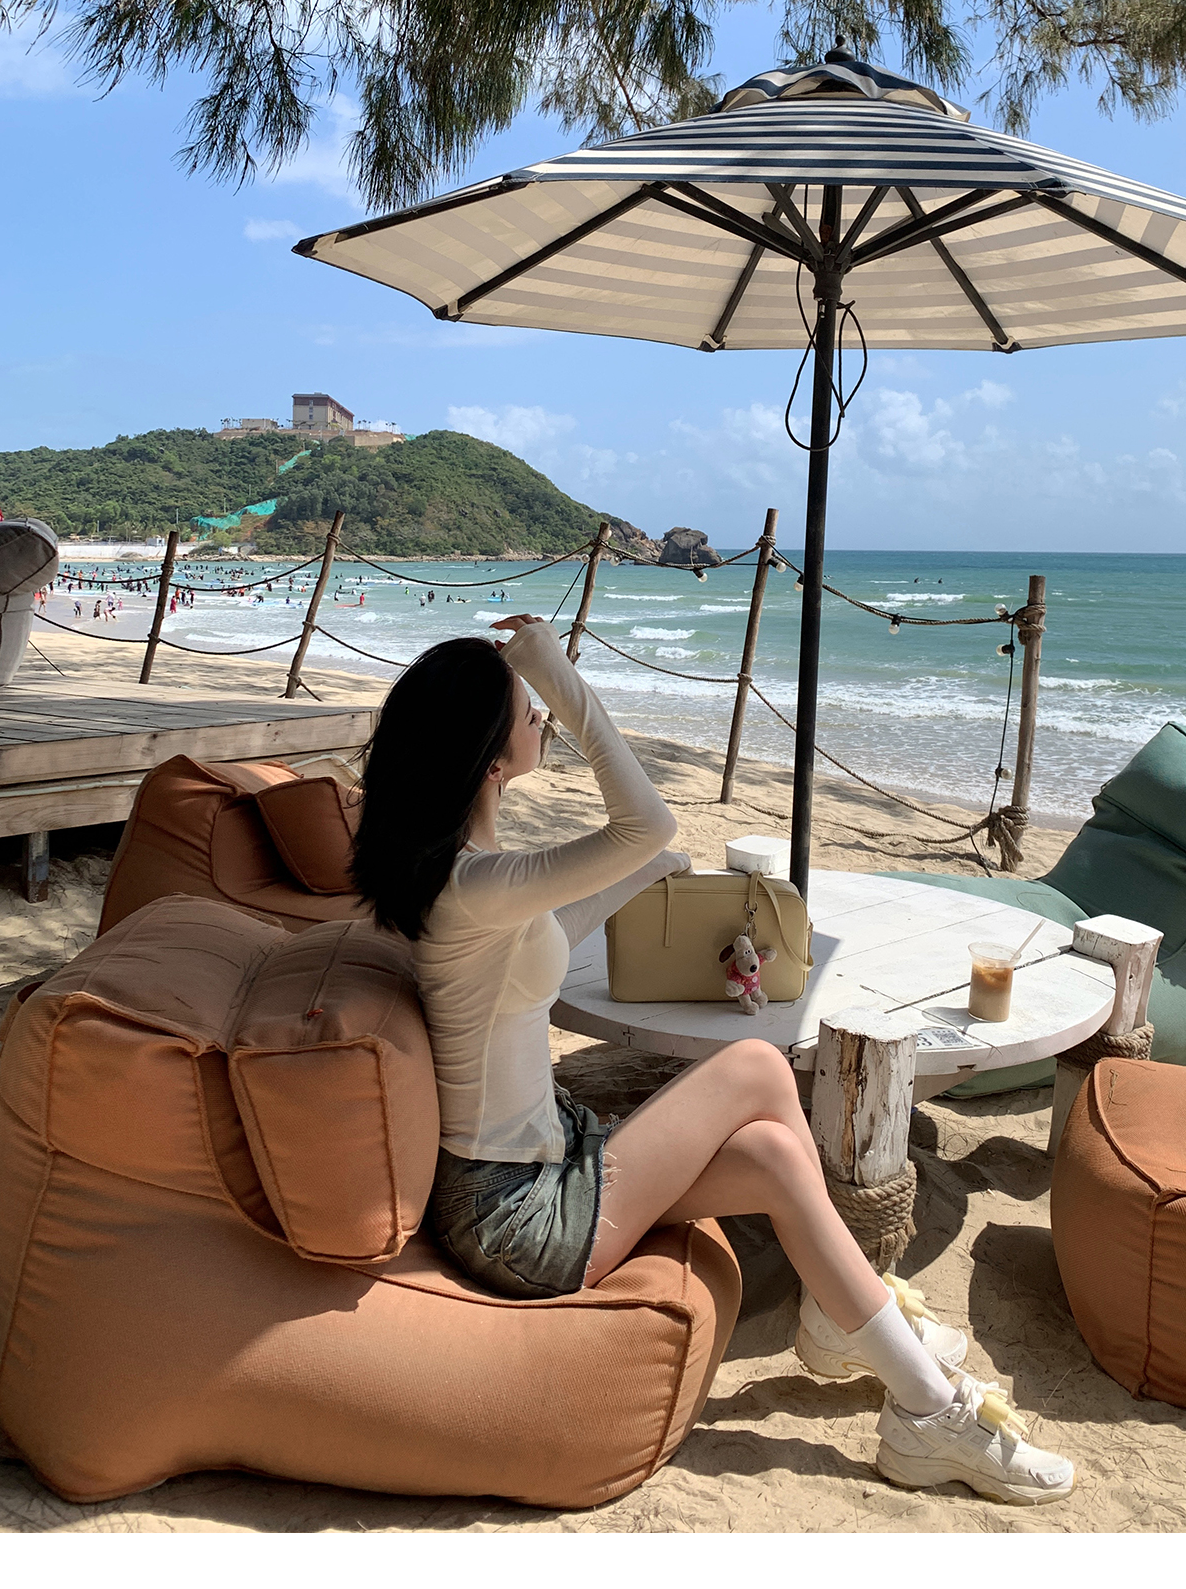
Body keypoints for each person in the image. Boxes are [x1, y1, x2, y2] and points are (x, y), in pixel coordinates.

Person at [350, 614, 1074, 1505]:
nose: (540, 715)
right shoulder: (473, 886)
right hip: (516, 1219)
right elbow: (646, 821)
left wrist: (653, 872)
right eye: (526, 709)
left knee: (770, 1154)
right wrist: (557, 671)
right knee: (757, 1067)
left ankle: (847, 1322)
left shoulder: (468, 878)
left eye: (541, 701)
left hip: (533, 1172)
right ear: (489, 761)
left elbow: (562, 915)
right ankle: (928, 1408)